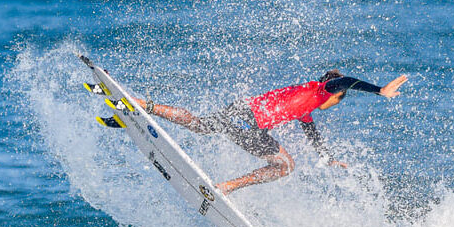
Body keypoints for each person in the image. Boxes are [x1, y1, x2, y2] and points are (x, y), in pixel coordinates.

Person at [131, 69, 408, 195]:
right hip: (249, 123)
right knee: (285, 165)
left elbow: (311, 132)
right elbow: (345, 80)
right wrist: (379, 90)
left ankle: (146, 105)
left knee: (202, 126)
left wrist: (327, 157)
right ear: (334, 95)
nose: (334, 103)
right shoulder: (322, 90)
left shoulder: (306, 100)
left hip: (241, 110)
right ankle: (226, 188)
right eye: (338, 99)